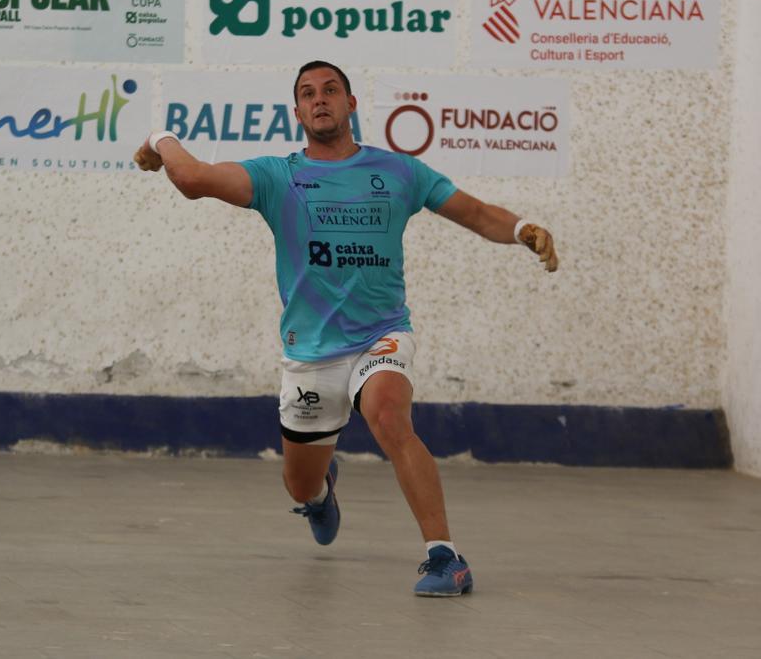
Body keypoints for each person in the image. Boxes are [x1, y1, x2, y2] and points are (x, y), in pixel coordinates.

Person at [133, 60, 558, 597]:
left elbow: (473, 212)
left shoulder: (400, 172)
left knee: (388, 415)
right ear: (297, 112)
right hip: (311, 355)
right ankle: (318, 495)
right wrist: (159, 138)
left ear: (351, 104)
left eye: (331, 90)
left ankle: (445, 557)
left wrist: (523, 229)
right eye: (308, 94)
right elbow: (192, 179)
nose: (320, 100)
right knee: (300, 481)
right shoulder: (277, 176)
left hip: (382, 334)